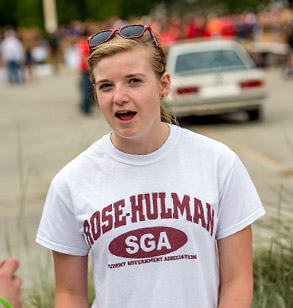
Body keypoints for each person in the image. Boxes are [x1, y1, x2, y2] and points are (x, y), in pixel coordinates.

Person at [36, 24, 265, 308]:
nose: (119, 96)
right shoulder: (70, 182)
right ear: (94, 94)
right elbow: (69, 294)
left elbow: (237, 279)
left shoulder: (218, 162)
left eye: (134, 81)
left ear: (164, 85)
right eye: (106, 85)